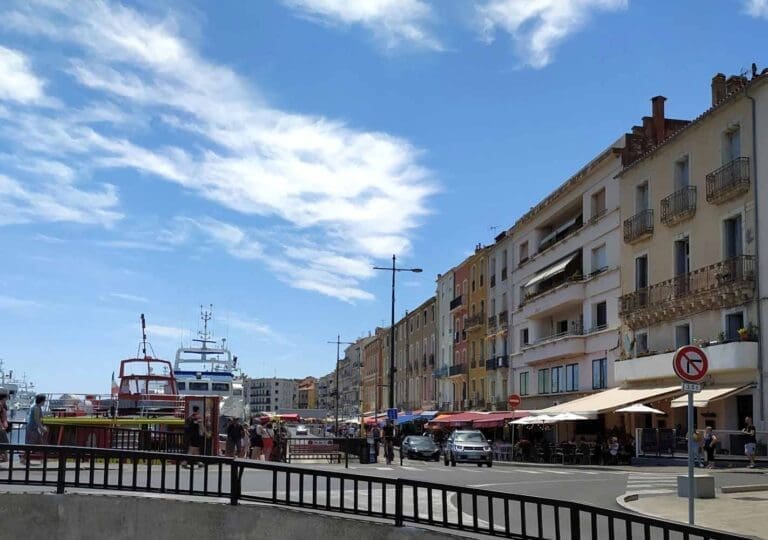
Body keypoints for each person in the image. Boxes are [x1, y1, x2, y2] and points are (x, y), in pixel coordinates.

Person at [21, 394, 47, 465]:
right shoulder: (36, 408)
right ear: (41, 401)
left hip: (34, 428)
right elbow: (36, 419)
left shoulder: (37, 407)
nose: (45, 402)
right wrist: (42, 428)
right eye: (44, 400)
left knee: (39, 443)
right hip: (32, 428)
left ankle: (41, 459)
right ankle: (24, 458)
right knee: (31, 444)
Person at [0, 387, 9, 462]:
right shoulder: (0, 404)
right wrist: (2, 426)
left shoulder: (3, 405)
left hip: (2, 427)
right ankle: (5, 458)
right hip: (1, 428)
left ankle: (5, 458)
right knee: (5, 443)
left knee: (4, 443)